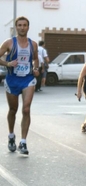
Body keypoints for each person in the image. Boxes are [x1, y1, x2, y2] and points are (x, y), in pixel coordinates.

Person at [0, 16, 40, 155]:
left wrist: (36, 69)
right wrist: (8, 64)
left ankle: (23, 142)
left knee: (26, 109)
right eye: (20, 25)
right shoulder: (9, 43)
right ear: (16, 27)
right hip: (12, 80)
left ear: (28, 27)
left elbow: (35, 59)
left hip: (27, 80)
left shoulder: (33, 44)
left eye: (25, 25)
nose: (22, 27)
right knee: (13, 110)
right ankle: (11, 136)